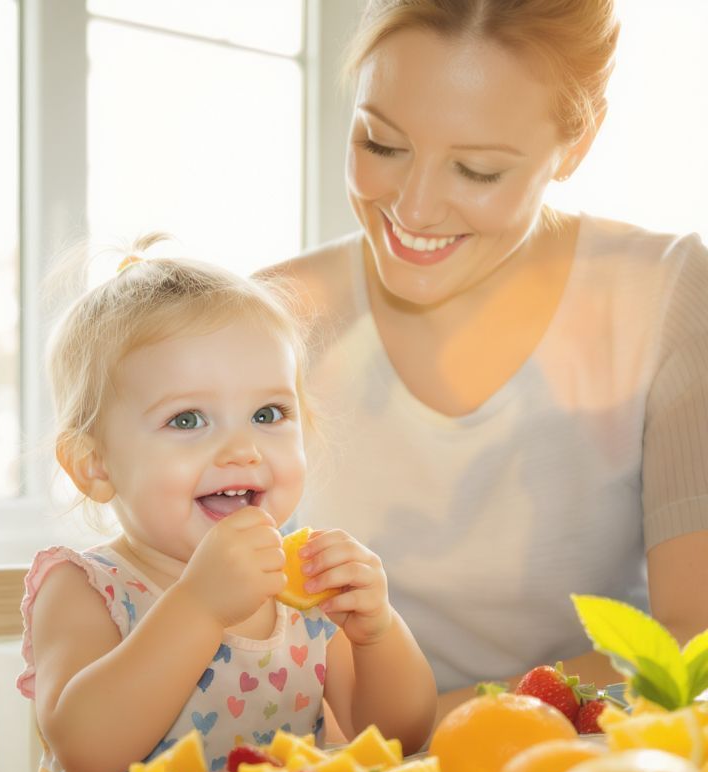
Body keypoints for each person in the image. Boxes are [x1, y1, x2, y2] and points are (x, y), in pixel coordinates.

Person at [259, 0, 708, 718]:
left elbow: (686, 636)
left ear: (576, 144)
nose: (414, 208)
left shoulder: (668, 295)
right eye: (381, 144)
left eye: (475, 170)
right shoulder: (271, 316)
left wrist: (429, 733)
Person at [17, 240, 436, 772]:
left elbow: (397, 739)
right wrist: (199, 606)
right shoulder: (87, 589)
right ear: (94, 465)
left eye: (269, 414)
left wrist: (377, 632)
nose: (242, 449)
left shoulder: (302, 587)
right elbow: (87, 749)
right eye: (187, 419)